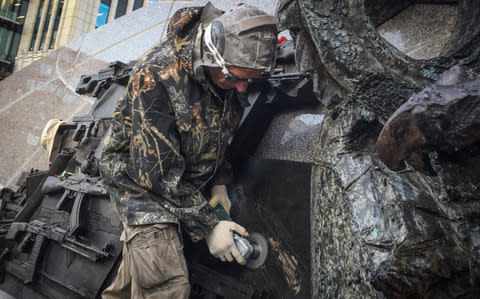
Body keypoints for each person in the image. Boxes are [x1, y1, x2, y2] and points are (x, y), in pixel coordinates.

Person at [99, 2, 277, 298]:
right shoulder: (155, 74)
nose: (243, 89)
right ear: (212, 55)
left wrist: (220, 181)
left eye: (250, 80)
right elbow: (157, 174)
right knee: (168, 286)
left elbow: (217, 135)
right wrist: (209, 226)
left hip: (181, 179)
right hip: (138, 180)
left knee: (136, 279)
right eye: (235, 78)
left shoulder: (227, 77)